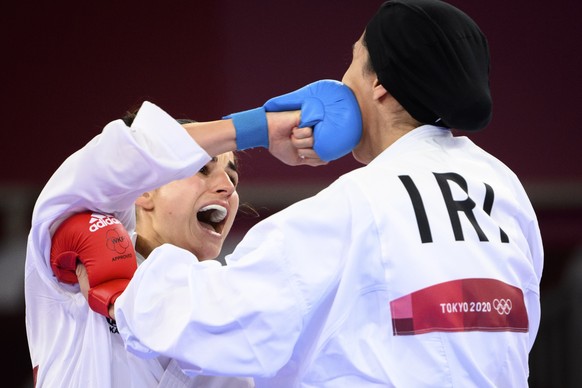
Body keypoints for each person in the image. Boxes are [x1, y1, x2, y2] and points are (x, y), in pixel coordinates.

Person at [67, 0, 545, 386]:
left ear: (379, 84)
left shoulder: (361, 203)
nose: (343, 82)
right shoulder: (505, 189)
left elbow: (229, 317)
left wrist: (128, 286)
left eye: (354, 62)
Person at [26, 79, 361, 388]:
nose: (227, 187)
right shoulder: (69, 272)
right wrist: (261, 127)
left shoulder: (235, 321)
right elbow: (120, 158)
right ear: (144, 189)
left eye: (233, 179)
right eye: (201, 169)